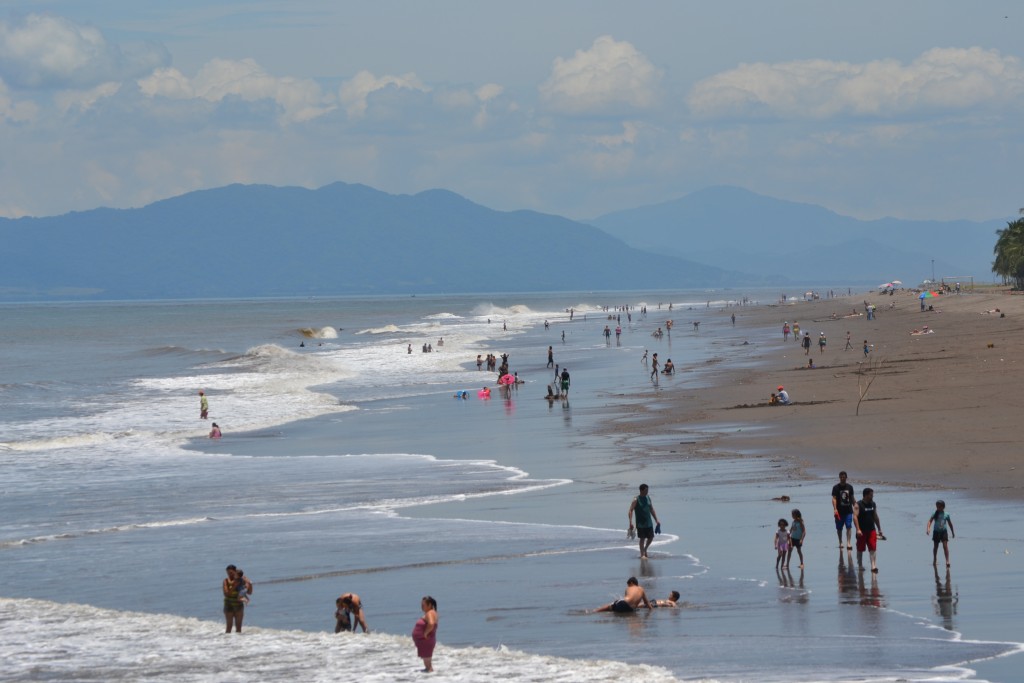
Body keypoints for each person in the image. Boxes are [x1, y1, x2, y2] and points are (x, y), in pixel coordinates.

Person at [627, 483, 661, 559]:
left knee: (651, 537)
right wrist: (630, 522)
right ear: (641, 490)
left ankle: (645, 549)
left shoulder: (648, 498)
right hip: (640, 523)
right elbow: (630, 510)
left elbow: (651, 509)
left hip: (648, 522)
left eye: (647, 490)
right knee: (642, 538)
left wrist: (656, 520)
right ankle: (642, 554)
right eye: (646, 490)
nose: (647, 492)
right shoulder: (636, 499)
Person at [854, 487, 883, 573]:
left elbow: (875, 517)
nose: (872, 496)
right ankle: (860, 565)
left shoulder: (873, 504)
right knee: (860, 549)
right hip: (861, 531)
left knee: (873, 548)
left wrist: (879, 529)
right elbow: (855, 517)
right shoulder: (858, 505)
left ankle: (873, 566)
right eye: (871, 495)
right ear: (866, 495)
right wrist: (858, 529)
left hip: (871, 530)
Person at [223, 564, 252, 633]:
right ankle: (227, 643)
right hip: (229, 606)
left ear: (235, 572)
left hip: (239, 606)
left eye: (231, 573)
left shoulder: (242, 579)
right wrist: (234, 586)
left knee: (239, 628)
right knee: (229, 628)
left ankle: (238, 643)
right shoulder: (226, 581)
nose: (229, 575)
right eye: (228, 573)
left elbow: (249, 592)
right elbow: (226, 594)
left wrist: (250, 584)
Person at [926, 499, 956, 567]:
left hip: (944, 532)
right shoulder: (934, 513)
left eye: (939, 507)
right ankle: (935, 559)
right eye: (937, 506)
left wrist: (952, 532)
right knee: (936, 547)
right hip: (936, 532)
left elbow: (950, 524)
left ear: (943, 507)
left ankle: (947, 561)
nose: (938, 508)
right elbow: (929, 521)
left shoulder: (946, 514)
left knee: (945, 546)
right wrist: (928, 528)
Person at [412, 596, 438, 672]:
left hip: (426, 641)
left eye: (423, 605)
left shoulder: (430, 613)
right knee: (427, 664)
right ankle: (429, 677)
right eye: (421, 605)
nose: (422, 607)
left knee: (428, 666)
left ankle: (431, 678)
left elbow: (431, 624)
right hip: (426, 641)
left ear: (429, 605)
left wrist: (425, 633)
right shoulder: (432, 612)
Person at [832, 471, 855, 549]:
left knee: (849, 526)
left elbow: (852, 498)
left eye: (844, 477)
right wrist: (835, 509)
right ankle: (840, 542)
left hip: (848, 511)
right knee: (839, 528)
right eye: (841, 477)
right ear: (839, 478)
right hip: (839, 511)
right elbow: (834, 499)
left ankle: (848, 543)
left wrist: (856, 506)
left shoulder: (850, 487)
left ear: (846, 478)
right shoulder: (836, 488)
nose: (842, 479)